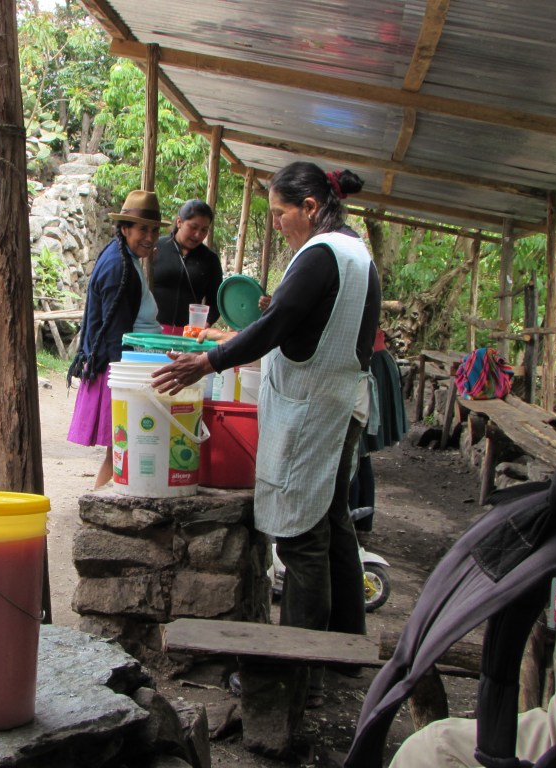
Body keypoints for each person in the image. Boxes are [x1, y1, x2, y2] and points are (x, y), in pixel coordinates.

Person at [152, 162, 381, 708]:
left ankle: (291, 672)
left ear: (308, 207)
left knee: (302, 538)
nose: (276, 222)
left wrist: (207, 362)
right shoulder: (355, 253)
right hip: (341, 403)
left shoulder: (322, 254)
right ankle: (346, 649)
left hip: (314, 411)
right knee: (331, 521)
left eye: (280, 212)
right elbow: (300, 319)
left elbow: (276, 328)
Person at [67, 189, 169, 488]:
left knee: (121, 449)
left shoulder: (125, 257)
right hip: (118, 368)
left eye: (153, 230)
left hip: (123, 364)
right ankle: (98, 506)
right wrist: (126, 379)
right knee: (121, 447)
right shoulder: (118, 267)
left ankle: (104, 501)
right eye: (142, 230)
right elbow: (114, 332)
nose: (149, 237)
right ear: (125, 229)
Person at [349, 327, 408, 533]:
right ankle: (360, 524)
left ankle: (351, 524)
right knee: (359, 452)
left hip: (369, 366)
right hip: (372, 362)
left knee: (352, 450)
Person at [152, 200, 224, 336]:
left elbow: (216, 301)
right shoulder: (156, 248)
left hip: (188, 336)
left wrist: (205, 324)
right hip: (151, 331)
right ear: (179, 222)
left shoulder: (210, 259)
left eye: (204, 230)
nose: (198, 235)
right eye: (193, 227)